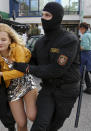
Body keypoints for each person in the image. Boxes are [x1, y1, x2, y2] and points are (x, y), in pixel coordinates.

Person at [13, 2, 80, 131]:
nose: (43, 18)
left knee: (53, 126)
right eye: (42, 15)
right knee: (40, 124)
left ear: (57, 18)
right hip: (48, 89)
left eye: (47, 15)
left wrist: (27, 68)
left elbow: (56, 70)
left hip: (67, 91)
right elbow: (32, 61)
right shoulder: (40, 42)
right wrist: (14, 56)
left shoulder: (69, 40)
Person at [0, 23, 38, 131]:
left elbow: (21, 71)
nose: (0, 42)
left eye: (3, 39)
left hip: (27, 84)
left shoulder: (17, 48)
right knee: (21, 123)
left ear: (10, 40)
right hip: (12, 89)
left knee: (32, 116)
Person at [79, 22, 91, 95]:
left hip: (85, 55)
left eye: (80, 29)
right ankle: (88, 88)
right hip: (90, 54)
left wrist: (79, 47)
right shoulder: (90, 34)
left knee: (83, 72)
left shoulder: (85, 35)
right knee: (85, 72)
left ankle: (86, 88)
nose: (80, 31)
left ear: (83, 28)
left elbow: (86, 47)